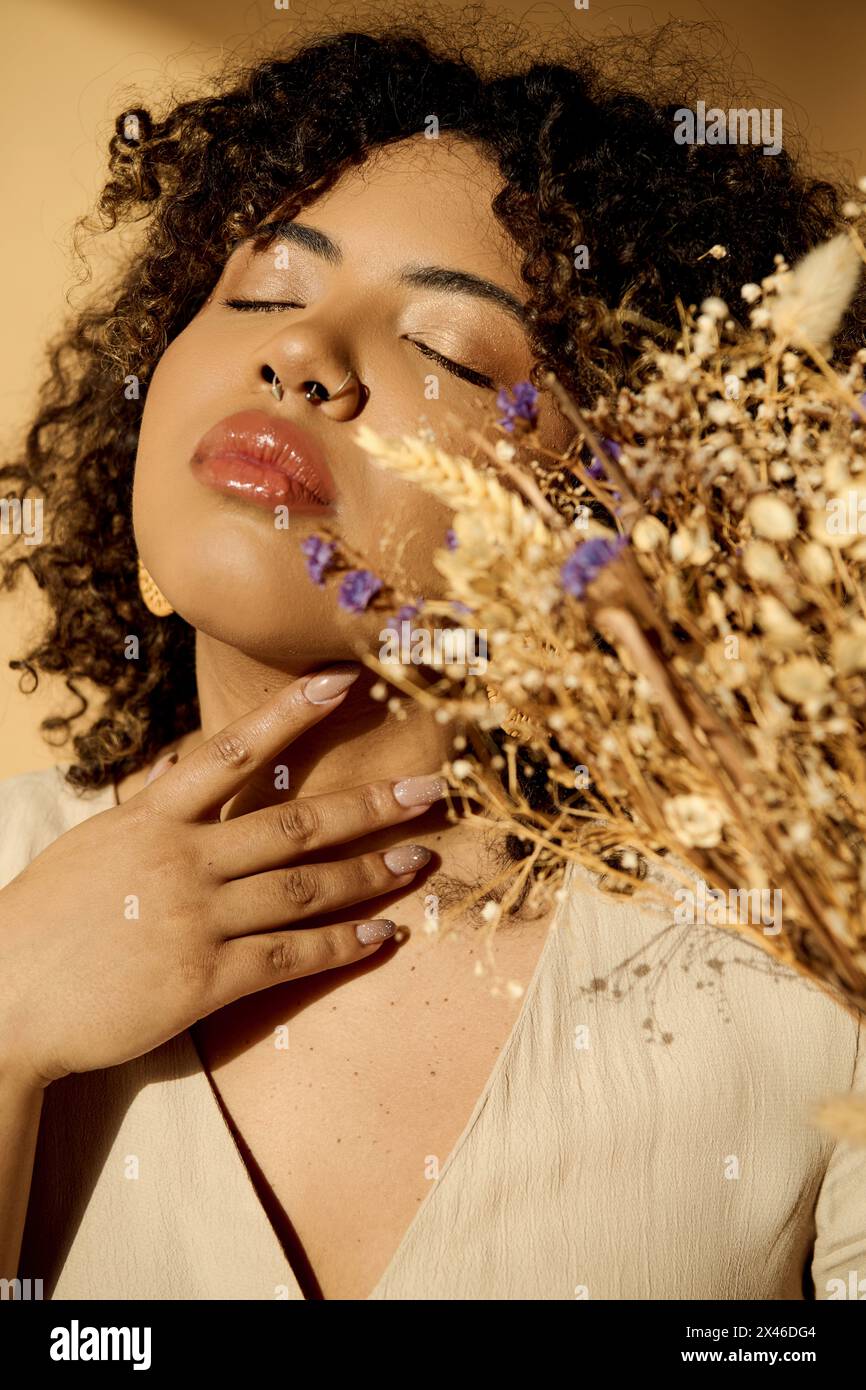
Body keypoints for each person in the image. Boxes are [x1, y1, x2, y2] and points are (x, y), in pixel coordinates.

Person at [0, 13, 863, 1302]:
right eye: (263, 293)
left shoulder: (796, 966)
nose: (300, 354)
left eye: (446, 348)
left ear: (613, 505)